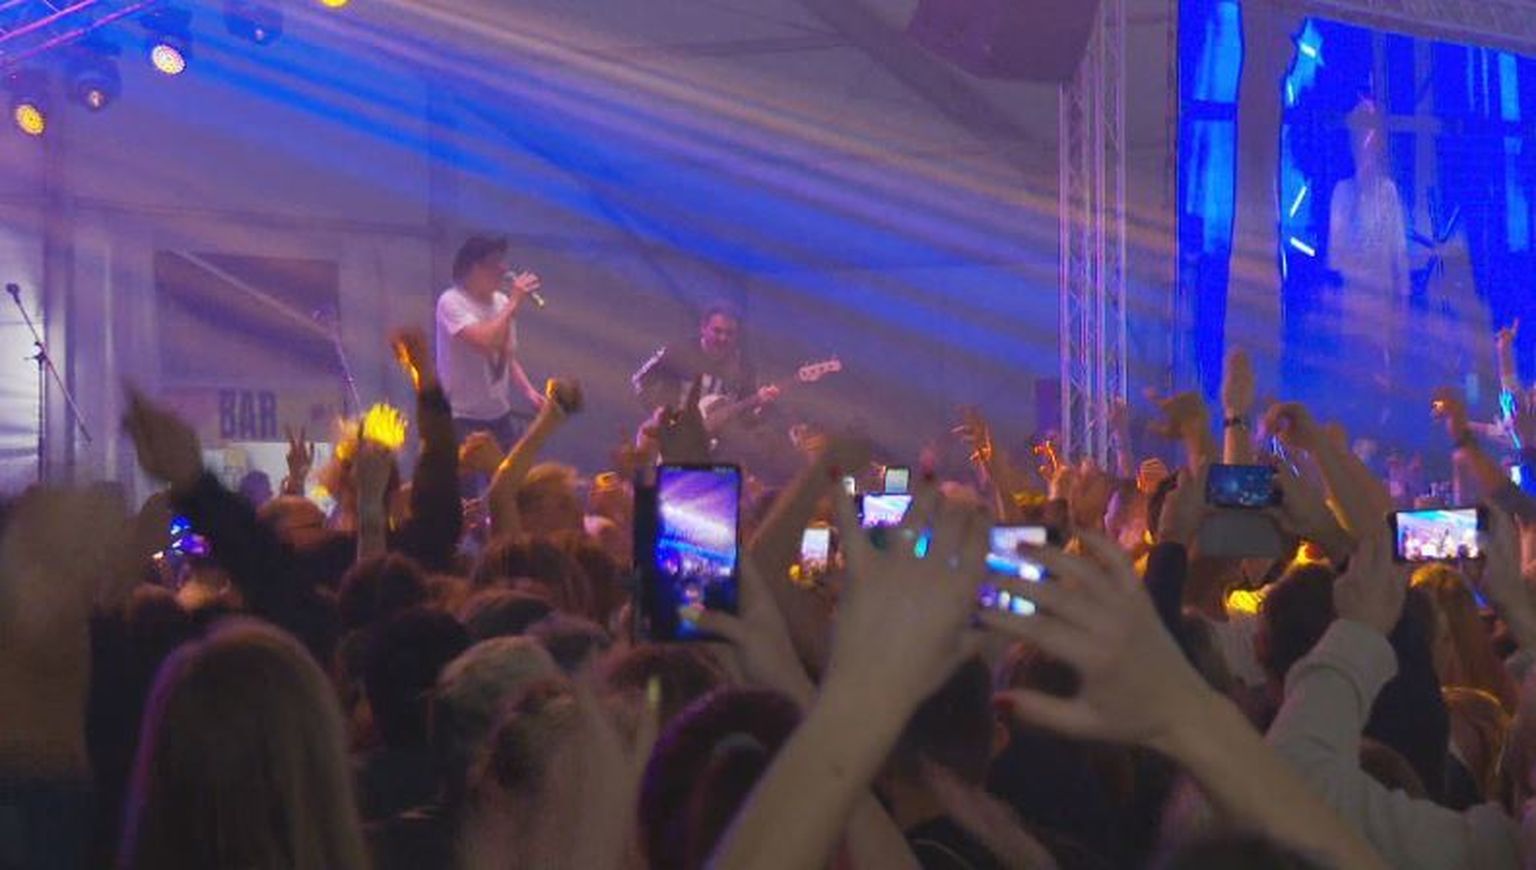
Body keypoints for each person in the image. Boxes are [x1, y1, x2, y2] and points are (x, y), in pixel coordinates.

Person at [435, 235, 546, 449]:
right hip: (461, 417)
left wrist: (529, 391)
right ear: (474, 268)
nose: (503, 270)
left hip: (499, 415)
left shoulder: (501, 303)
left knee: (510, 469)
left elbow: (506, 355)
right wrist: (514, 303)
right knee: (467, 470)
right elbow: (484, 341)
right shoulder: (452, 302)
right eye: (495, 263)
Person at [632, 302, 779, 432]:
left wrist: (761, 405)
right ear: (703, 328)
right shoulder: (679, 351)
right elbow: (640, 379)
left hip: (720, 440)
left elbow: (747, 414)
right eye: (717, 331)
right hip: (675, 427)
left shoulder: (744, 368)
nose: (723, 338)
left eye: (729, 333)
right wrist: (657, 410)